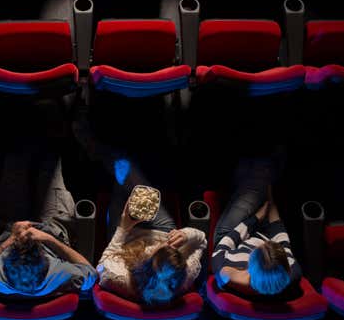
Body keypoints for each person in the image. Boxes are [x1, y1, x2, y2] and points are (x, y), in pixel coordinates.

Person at [72, 117, 206, 305]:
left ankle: (103, 147)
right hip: (162, 230)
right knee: (132, 176)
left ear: (144, 265)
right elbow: (201, 241)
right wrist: (185, 235)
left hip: (126, 243)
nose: (169, 246)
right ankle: (124, 146)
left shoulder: (118, 278)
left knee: (122, 180)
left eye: (162, 250)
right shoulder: (184, 276)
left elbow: (102, 266)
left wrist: (124, 227)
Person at [0, 154, 97, 298]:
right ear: (46, 263)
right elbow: (90, 273)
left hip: (11, 228)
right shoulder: (58, 273)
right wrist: (48, 239)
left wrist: (10, 240)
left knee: (15, 163)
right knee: (51, 166)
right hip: (53, 227)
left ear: (5, 263)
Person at [212, 158, 302, 298]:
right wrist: (270, 201)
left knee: (252, 190)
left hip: (232, 235)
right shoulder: (292, 273)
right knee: (262, 192)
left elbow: (224, 244)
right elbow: (280, 235)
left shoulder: (227, 274)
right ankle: (262, 170)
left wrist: (256, 218)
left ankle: (258, 167)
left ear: (250, 266)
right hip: (265, 231)